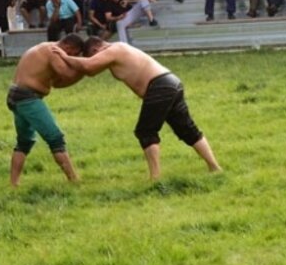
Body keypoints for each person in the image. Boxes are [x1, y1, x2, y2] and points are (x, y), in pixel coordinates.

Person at [51, 37, 221, 181]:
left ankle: (155, 178)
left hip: (160, 86)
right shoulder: (119, 50)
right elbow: (90, 71)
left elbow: (88, 66)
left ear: (97, 48)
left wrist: (64, 56)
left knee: (145, 131)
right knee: (187, 129)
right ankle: (214, 168)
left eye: (93, 56)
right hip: (171, 83)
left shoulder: (113, 49)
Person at [7, 34, 87, 185]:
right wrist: (86, 67)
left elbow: (59, 83)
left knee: (24, 142)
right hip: (27, 98)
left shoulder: (46, 49)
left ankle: (13, 184)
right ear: (69, 48)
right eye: (74, 55)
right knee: (55, 138)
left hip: (17, 96)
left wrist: (83, 72)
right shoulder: (53, 51)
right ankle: (74, 180)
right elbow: (66, 73)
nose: (71, 59)